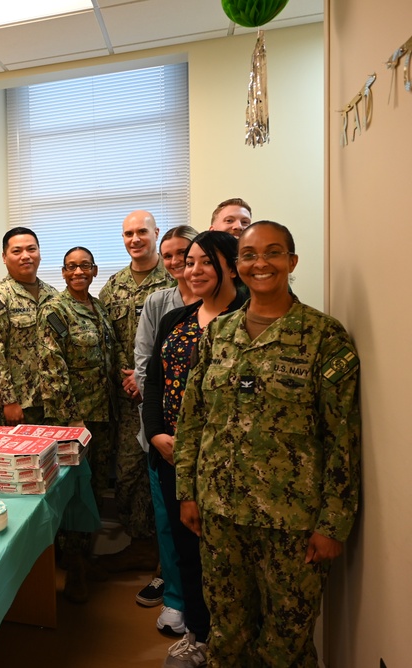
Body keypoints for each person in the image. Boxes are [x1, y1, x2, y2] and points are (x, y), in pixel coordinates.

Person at [175, 221, 360, 667]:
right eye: (250, 255)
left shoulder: (322, 336)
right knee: (227, 635)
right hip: (220, 516)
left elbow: (342, 437)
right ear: (237, 267)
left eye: (273, 253)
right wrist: (187, 490)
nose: (262, 263)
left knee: (286, 644)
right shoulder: (219, 333)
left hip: (292, 524)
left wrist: (333, 523)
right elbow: (193, 418)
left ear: (292, 262)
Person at [142, 231, 246, 661]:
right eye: (190, 261)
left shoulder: (250, 318)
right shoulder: (176, 320)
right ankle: (199, 636)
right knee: (187, 550)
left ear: (232, 267)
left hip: (227, 462)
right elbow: (152, 381)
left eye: (207, 261)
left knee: (228, 555)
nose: (195, 269)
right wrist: (154, 433)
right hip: (172, 456)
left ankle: (232, 640)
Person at [98, 210, 174, 572]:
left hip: (164, 395)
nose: (135, 239)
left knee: (164, 474)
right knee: (128, 474)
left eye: (142, 232)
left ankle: (167, 556)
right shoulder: (113, 286)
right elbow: (105, 340)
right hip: (127, 401)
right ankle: (141, 545)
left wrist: (144, 378)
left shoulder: (174, 276)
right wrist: (125, 376)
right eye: (128, 233)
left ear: (155, 233)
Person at [40, 246, 115, 604]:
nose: (78, 272)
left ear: (95, 270)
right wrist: (72, 418)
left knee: (95, 488)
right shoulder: (55, 310)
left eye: (85, 265)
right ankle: (70, 569)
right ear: (64, 272)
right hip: (72, 421)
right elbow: (52, 368)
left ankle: (86, 559)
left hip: (103, 415)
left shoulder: (97, 307)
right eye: (71, 267)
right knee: (72, 495)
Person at [131, 225, 198, 620]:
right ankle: (175, 598)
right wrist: (158, 428)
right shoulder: (159, 302)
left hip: (204, 440)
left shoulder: (225, 305)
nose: (177, 264)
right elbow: (145, 367)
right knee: (169, 523)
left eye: (186, 256)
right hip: (161, 435)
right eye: (170, 256)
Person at [0, 226, 57, 426]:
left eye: (31, 249)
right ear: (4, 257)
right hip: (18, 405)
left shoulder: (53, 295)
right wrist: (8, 400)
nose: (26, 256)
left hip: (52, 402)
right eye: (17, 251)